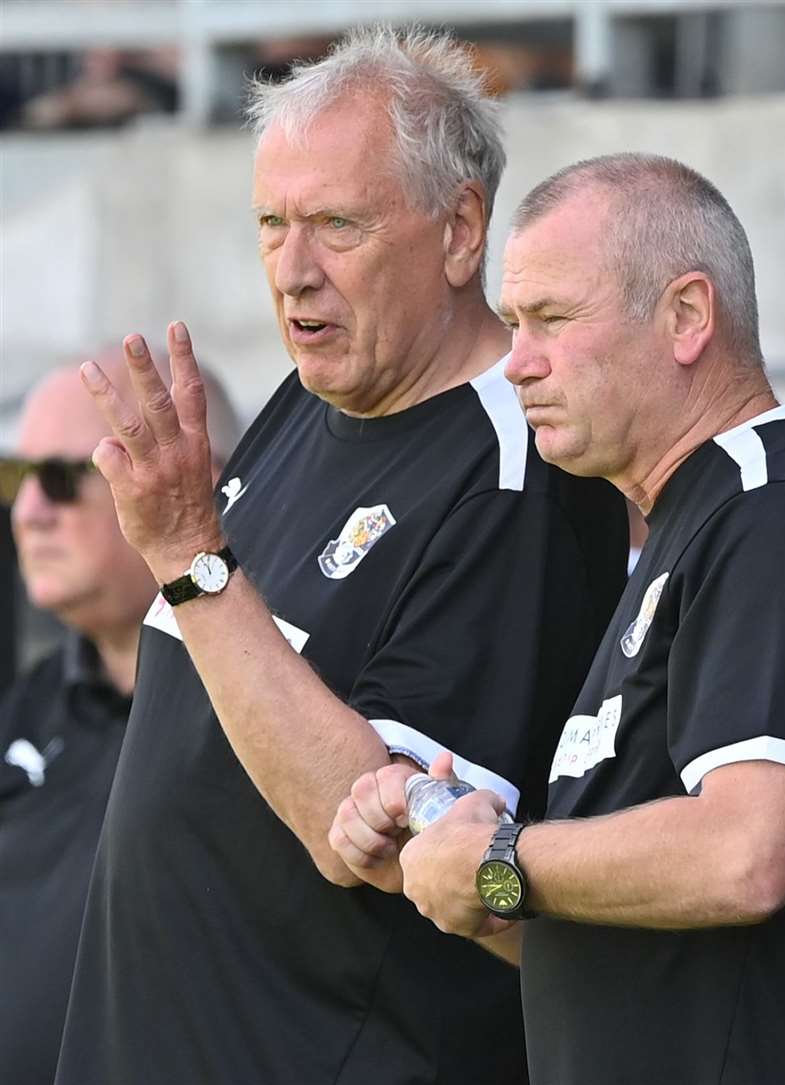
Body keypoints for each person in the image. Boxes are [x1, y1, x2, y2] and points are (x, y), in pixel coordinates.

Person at [357, 153, 785, 1084]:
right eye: (510, 323)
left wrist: (500, 858)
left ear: (688, 317)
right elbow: (623, 938)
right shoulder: (693, 527)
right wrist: (436, 855)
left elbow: (748, 853)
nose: (517, 361)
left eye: (552, 319)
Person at [55, 28, 626, 1085]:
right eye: (271, 224)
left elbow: (386, 836)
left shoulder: (520, 479)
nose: (292, 270)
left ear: (461, 232)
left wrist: (193, 561)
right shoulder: (318, 392)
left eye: (337, 226)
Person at [0, 351, 239, 1085]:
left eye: (64, 479)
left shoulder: (260, 706)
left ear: (196, 479)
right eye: (15, 479)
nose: (28, 510)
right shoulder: (32, 702)